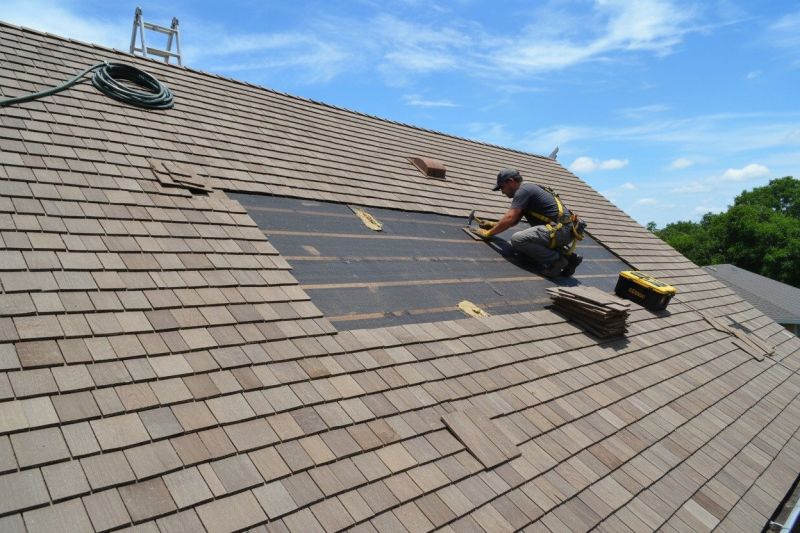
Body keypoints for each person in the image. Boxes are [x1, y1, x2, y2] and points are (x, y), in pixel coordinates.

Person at [476, 168, 584, 277]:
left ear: (511, 181)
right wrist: (492, 225)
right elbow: (514, 220)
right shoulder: (528, 190)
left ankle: (557, 261)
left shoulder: (523, 191)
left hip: (560, 231)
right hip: (564, 231)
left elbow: (510, 218)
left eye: (502, 187)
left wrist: (488, 233)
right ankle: (569, 258)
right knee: (523, 251)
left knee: (518, 240)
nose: (502, 192)